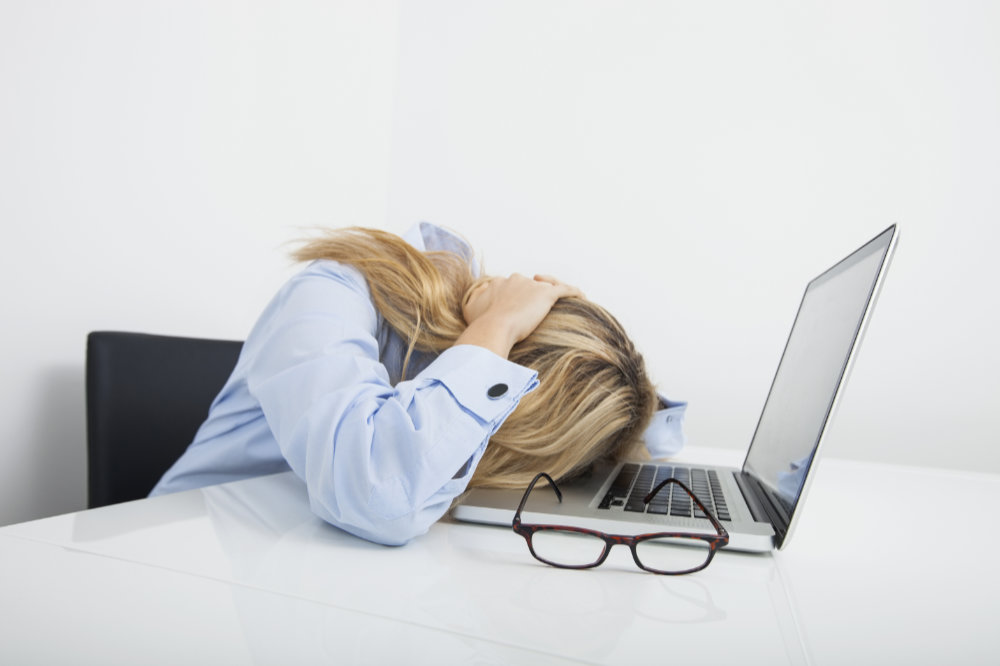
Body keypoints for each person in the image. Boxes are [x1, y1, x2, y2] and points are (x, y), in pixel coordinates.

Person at [151, 223, 666, 545]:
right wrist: (497, 329)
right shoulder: (334, 289)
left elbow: (661, 433)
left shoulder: (459, 373)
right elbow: (375, 494)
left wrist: (618, 386)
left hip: (292, 554)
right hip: (177, 550)